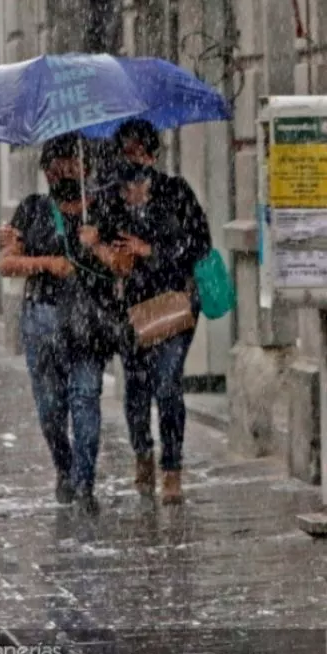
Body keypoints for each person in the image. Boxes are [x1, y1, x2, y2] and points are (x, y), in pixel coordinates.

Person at [0, 133, 132, 515]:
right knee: (51, 406)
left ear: (86, 167)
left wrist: (98, 247)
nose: (62, 172)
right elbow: (7, 263)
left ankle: (85, 483)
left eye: (70, 163)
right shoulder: (33, 209)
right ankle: (64, 466)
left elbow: (125, 267)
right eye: (54, 166)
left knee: (86, 398)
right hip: (42, 316)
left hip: (90, 321)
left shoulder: (103, 210)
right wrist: (47, 264)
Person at [108, 119, 213, 504]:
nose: (133, 159)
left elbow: (199, 244)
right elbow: (100, 254)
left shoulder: (176, 193)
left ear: (152, 155)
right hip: (130, 309)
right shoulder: (109, 200)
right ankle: (142, 453)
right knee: (135, 388)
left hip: (172, 305)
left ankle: (172, 467)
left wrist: (149, 251)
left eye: (139, 151)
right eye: (126, 151)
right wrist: (111, 256)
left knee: (167, 384)